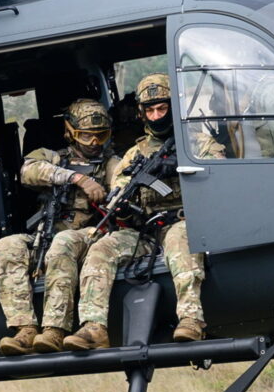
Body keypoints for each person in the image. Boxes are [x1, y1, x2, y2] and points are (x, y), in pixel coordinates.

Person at [63, 71, 208, 348]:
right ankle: (94, 326)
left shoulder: (197, 142)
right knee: (101, 248)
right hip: (146, 232)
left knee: (180, 240)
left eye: (162, 108)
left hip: (184, 222)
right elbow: (118, 192)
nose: (156, 115)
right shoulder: (134, 154)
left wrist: (179, 166)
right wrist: (123, 210)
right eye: (150, 110)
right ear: (142, 113)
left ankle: (191, 319)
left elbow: (217, 179)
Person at [0, 99, 114, 355]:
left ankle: (55, 330)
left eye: (100, 136)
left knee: (64, 242)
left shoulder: (112, 164)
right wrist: (77, 178)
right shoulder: (54, 157)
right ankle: (25, 329)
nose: (94, 143)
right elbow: (28, 171)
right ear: (70, 132)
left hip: (89, 235)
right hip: (47, 233)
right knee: (6, 247)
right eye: (85, 135)